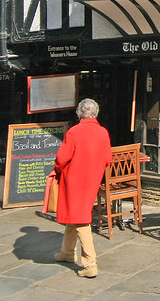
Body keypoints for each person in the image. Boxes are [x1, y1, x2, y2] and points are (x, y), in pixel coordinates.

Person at [52, 98, 111, 279]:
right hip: (92, 180)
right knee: (76, 214)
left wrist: (57, 170)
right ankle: (67, 252)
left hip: (74, 180)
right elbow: (108, 159)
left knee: (80, 218)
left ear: (79, 114)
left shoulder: (74, 132)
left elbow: (61, 159)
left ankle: (89, 263)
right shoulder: (103, 132)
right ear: (96, 114)